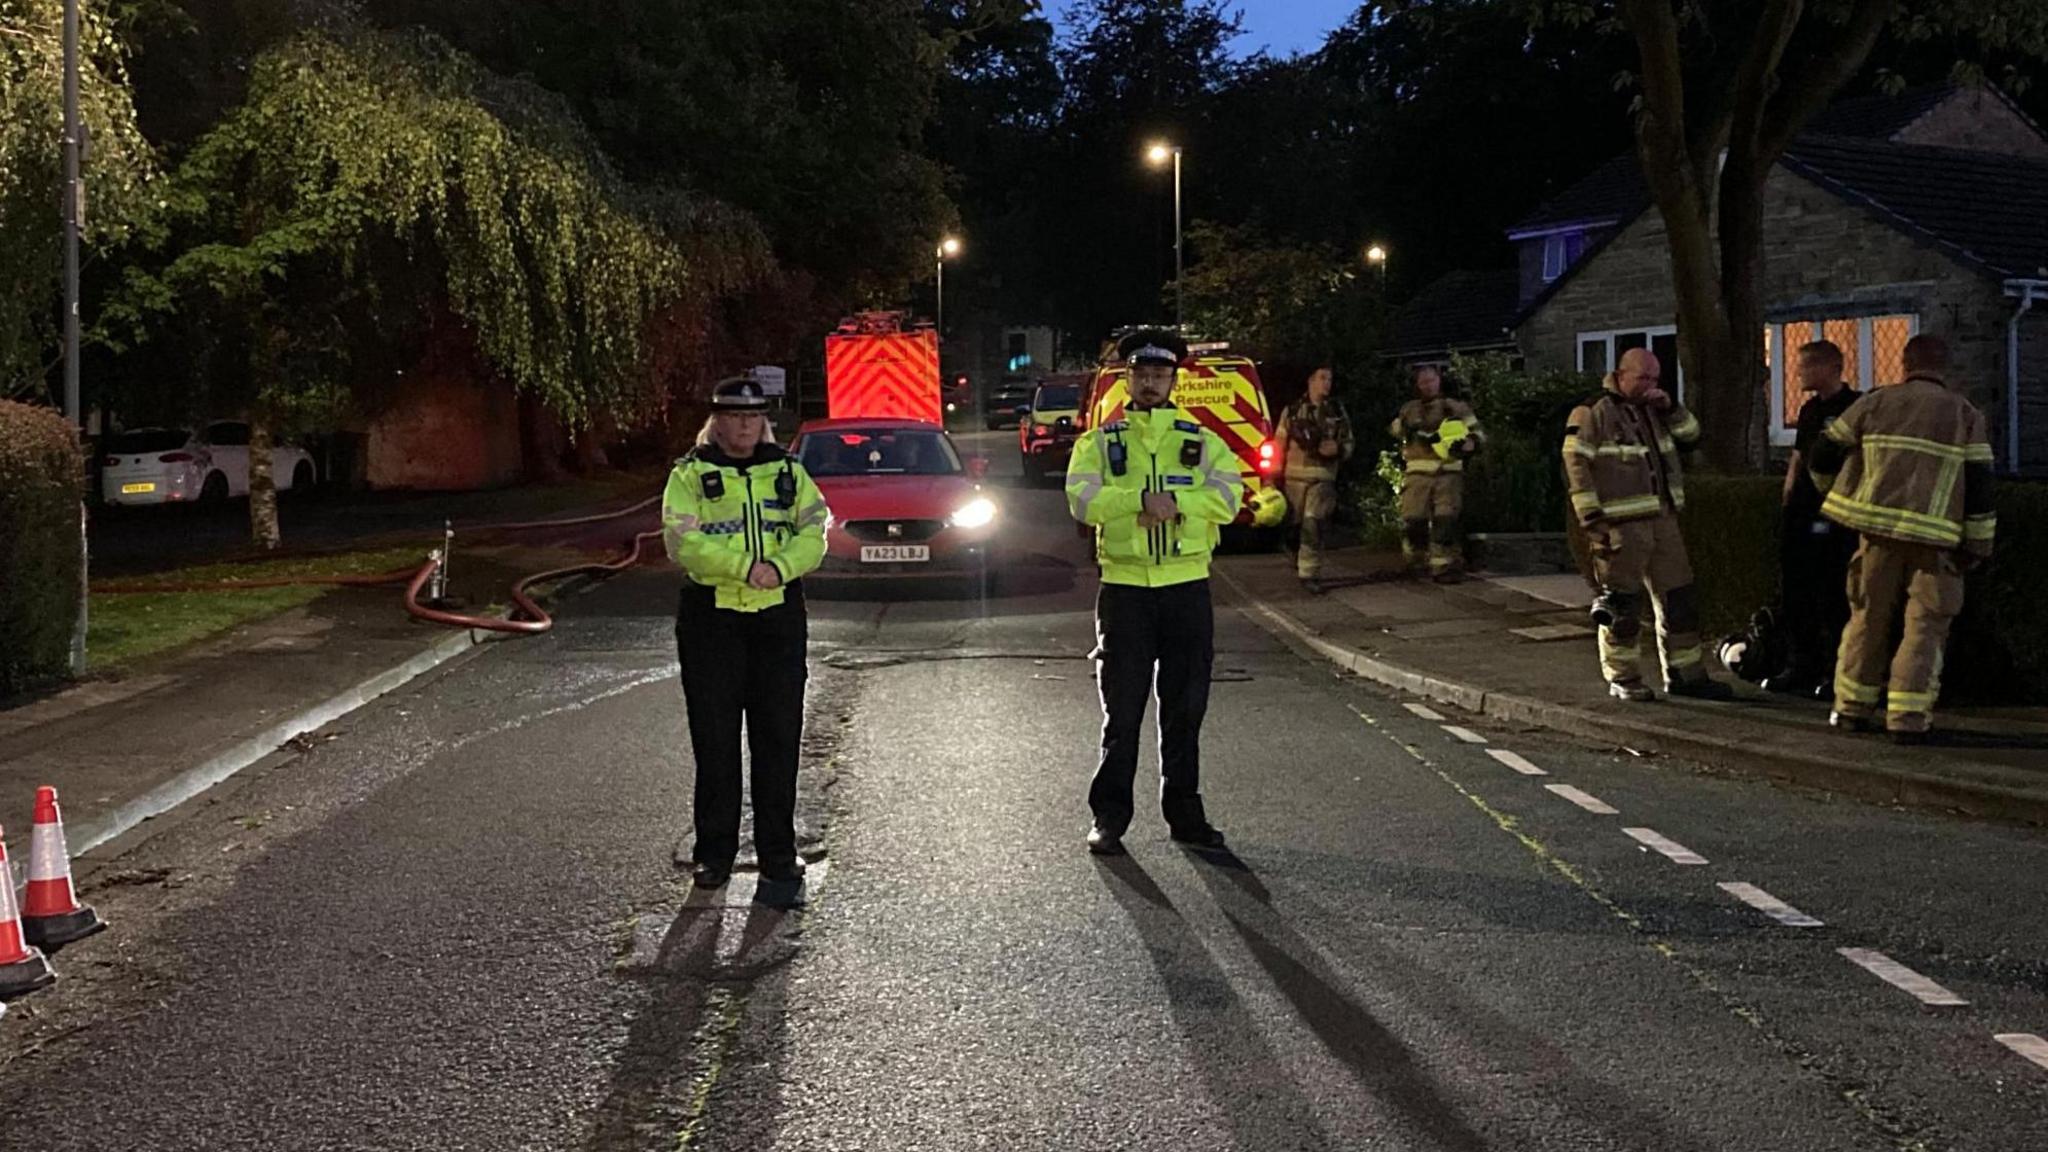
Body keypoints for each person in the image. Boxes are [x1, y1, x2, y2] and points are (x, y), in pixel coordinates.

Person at [1065, 329, 1241, 856]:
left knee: (1185, 710)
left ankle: (1185, 816)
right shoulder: (1101, 441)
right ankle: (1109, 818)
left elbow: (1230, 496)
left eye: (1159, 375)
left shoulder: (1201, 440)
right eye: (1140, 375)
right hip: (1125, 589)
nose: (1149, 383)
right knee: (1122, 712)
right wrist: (1137, 500)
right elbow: (1081, 497)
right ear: (1127, 379)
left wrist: (1177, 504)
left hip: (1186, 586)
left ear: (1173, 380)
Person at [661, 377, 830, 893]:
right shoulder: (690, 474)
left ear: (764, 420)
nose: (744, 426)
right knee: (714, 742)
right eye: (734, 417)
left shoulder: (789, 471)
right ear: (716, 421)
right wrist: (743, 567)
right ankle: (714, 855)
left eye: (753, 417)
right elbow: (680, 541)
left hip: (777, 616)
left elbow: (817, 527)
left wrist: (779, 568)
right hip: (712, 620)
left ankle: (778, 853)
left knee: (777, 738)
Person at [1808, 335, 1995, 743]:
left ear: (1905, 365)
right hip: (1935, 542)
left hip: (1875, 535)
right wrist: (1978, 545)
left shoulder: (1875, 402)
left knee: (1866, 617)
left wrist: (1833, 492)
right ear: (1944, 368)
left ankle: (1850, 709)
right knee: (1925, 627)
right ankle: (1907, 720)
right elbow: (1981, 486)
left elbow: (1823, 453)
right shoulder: (1964, 414)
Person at [1562, 348, 1734, 702]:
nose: (1649, 386)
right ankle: (1623, 678)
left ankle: (1685, 675)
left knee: (1679, 600)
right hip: (1620, 527)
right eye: (1643, 378)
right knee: (1621, 606)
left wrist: (1671, 407)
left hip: (1663, 520)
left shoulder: (1657, 411)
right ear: (1620, 374)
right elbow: (1575, 465)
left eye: (1655, 379)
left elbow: (1692, 437)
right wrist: (1592, 521)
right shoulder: (1593, 412)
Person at [1768, 340, 1862, 697]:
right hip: (1803, 514)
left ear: (1828, 367)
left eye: (1805, 366)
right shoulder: (1808, 410)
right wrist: (1789, 496)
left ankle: (1836, 671)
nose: (1798, 373)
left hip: (1837, 516)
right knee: (1797, 592)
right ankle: (1800, 666)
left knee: (1834, 595)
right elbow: (1799, 456)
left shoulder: (1854, 408)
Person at [1389, 365, 1483, 582]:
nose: (1428, 386)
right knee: (1413, 521)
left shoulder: (1457, 408)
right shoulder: (1409, 409)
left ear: (1439, 381)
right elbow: (1394, 429)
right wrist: (1406, 428)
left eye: (1431, 381)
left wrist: (1469, 444)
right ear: (1417, 385)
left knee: (1445, 522)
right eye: (1423, 382)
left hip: (1448, 474)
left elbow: (1479, 435)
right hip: (1417, 476)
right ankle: (1416, 562)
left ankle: (1444, 568)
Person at [1275, 365, 1356, 594]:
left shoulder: (1337, 412)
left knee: (1314, 523)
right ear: (1310, 381)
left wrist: (1338, 449)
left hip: (1322, 479)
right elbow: (1278, 444)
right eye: (1322, 378)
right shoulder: (1292, 411)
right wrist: (1271, 478)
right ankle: (1297, 558)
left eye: (1330, 379)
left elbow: (1350, 442)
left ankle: (1309, 575)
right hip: (1293, 481)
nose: (1327, 383)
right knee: (1295, 528)